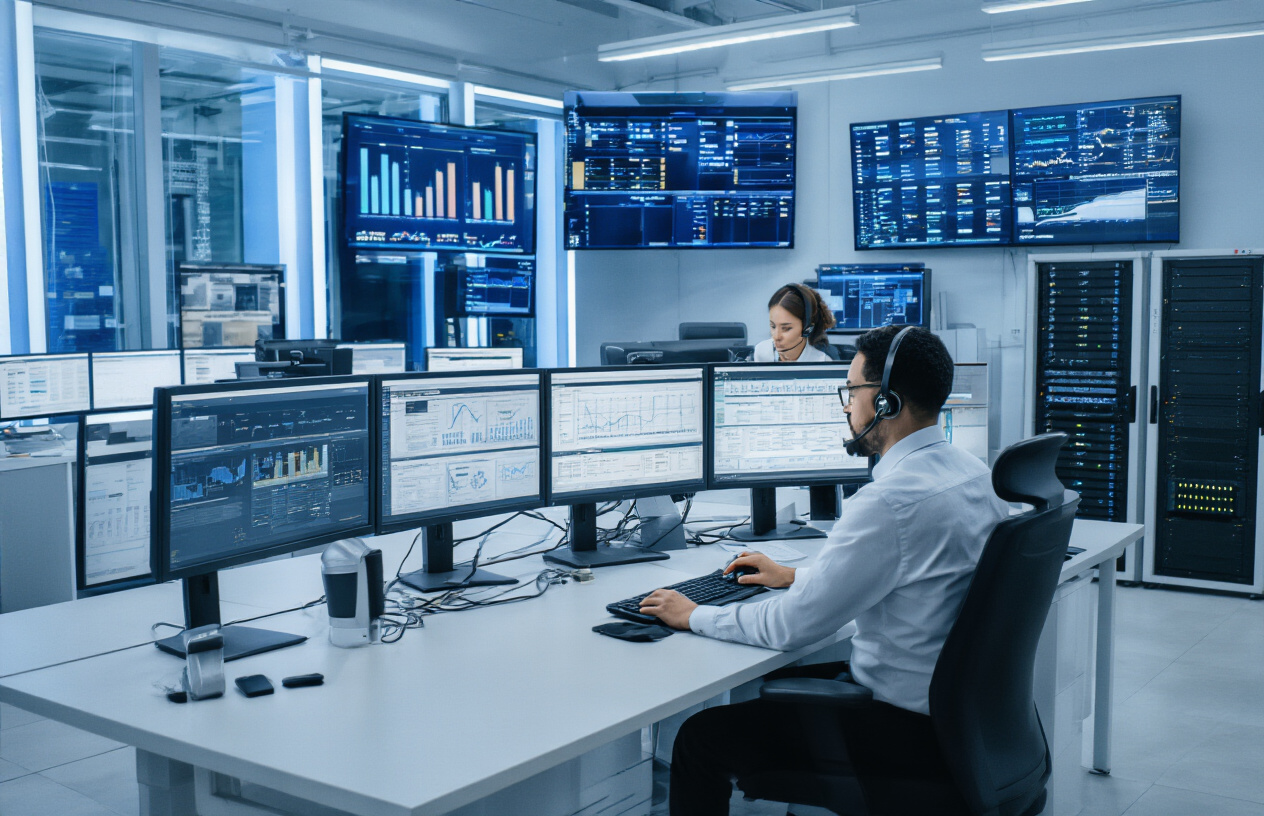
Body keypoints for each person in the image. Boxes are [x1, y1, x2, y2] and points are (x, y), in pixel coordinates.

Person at [638, 324, 1010, 816]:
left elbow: (791, 627)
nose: (846, 405)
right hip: (962, 727)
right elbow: (907, 572)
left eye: (852, 390)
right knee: (770, 689)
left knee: (700, 738)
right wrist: (797, 576)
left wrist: (694, 614)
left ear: (886, 403)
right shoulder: (971, 473)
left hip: (902, 732)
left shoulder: (889, 502)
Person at [753, 283, 836, 362]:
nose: (776, 337)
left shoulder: (822, 362)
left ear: (807, 329)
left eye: (786, 328)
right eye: (773, 326)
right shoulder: (762, 352)